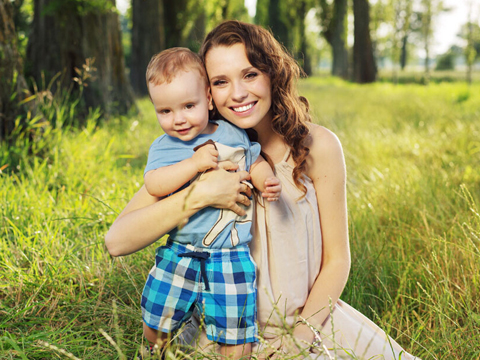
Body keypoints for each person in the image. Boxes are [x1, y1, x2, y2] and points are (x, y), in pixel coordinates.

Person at [106, 21, 420, 360]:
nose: (238, 93)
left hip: (309, 326)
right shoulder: (195, 151)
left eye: (250, 74)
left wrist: (298, 342)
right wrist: (200, 194)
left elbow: (337, 261)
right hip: (226, 334)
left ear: (273, 74)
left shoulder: (318, 147)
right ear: (207, 94)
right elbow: (118, 240)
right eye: (221, 82)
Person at [134, 47, 282, 359]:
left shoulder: (232, 133)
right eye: (165, 111)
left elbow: (252, 162)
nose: (179, 119)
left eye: (189, 106)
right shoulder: (164, 147)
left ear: (208, 99)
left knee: (236, 325)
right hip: (181, 251)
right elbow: (154, 183)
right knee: (158, 315)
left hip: (230, 252)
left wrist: (265, 179)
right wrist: (193, 164)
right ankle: (153, 349)